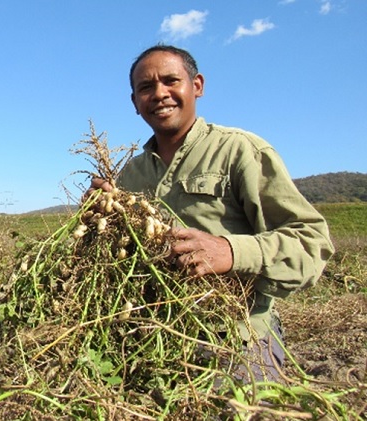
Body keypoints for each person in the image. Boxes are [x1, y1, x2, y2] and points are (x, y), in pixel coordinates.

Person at [89, 44, 334, 382]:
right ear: (135, 102)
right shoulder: (131, 174)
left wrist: (231, 251)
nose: (159, 93)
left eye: (171, 81)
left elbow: (312, 243)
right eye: (146, 87)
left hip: (235, 343)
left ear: (197, 86)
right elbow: (121, 259)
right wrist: (99, 216)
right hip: (153, 342)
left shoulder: (240, 151)